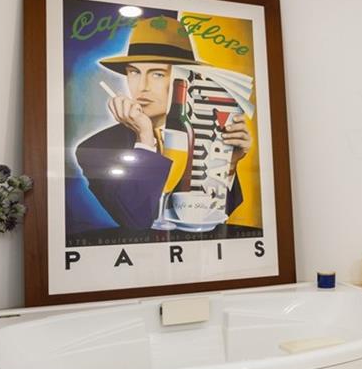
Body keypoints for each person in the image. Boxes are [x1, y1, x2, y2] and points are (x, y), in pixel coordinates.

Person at [76, 15, 249, 231]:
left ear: (185, 79)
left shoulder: (205, 135)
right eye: (134, 72)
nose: (142, 86)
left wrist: (228, 165)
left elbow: (218, 214)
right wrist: (145, 138)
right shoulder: (96, 148)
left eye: (157, 74)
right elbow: (136, 220)